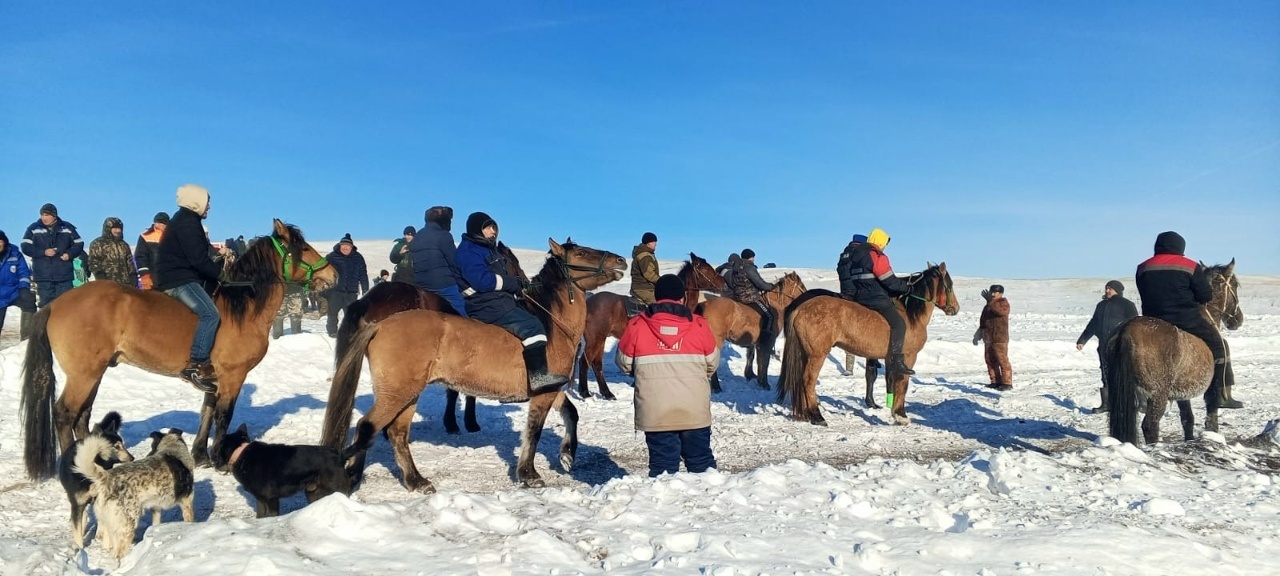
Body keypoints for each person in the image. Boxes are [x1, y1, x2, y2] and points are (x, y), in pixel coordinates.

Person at [615, 274, 720, 477]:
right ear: (682, 298)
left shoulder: (636, 325)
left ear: (657, 298)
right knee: (702, 467)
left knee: (663, 471)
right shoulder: (699, 325)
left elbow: (624, 363)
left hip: (656, 412)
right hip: (694, 410)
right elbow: (712, 363)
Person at [456, 211, 568, 393]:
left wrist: (518, 286)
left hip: (497, 300)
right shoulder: (470, 251)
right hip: (487, 304)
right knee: (534, 326)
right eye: (488, 227)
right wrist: (513, 283)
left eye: (494, 227)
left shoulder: (486, 249)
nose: (493, 231)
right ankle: (539, 378)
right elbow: (482, 281)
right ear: (477, 229)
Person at [1135, 231, 1230, 412]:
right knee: (1219, 346)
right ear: (1180, 247)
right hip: (1186, 319)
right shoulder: (1190, 266)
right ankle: (1221, 394)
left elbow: (1143, 291)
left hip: (1151, 320)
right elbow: (1205, 295)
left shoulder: (1143, 267)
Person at [154, 184, 227, 393]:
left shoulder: (186, 220)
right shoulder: (187, 222)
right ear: (196, 202)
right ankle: (195, 365)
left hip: (180, 276)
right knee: (210, 314)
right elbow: (198, 260)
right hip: (178, 280)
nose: (209, 207)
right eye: (207, 202)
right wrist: (221, 274)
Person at [836, 228, 914, 375]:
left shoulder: (856, 255)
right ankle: (897, 360)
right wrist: (905, 288)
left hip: (859, 298)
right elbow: (889, 280)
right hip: (875, 298)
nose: (884, 247)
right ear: (879, 241)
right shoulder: (876, 255)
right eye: (884, 244)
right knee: (899, 324)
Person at [1076, 280, 1139, 413]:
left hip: (1121, 345)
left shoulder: (1127, 305)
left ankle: (1136, 403)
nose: (1107, 291)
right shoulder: (1101, 305)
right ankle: (1106, 404)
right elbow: (1093, 324)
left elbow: (1136, 325)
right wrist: (1082, 340)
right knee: (1105, 373)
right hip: (1104, 345)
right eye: (1106, 288)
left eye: (1110, 289)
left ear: (1117, 290)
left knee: (1126, 373)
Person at [21, 203, 84, 308]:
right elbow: (25, 246)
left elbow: (79, 244)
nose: (43, 218)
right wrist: (43, 252)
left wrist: (69, 254)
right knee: (46, 307)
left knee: (66, 306)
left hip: (64, 276)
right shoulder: (33, 229)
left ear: (54, 216)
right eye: (42, 215)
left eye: (47, 215)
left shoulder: (67, 228)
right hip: (43, 276)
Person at [410, 206, 468, 317]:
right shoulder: (444, 236)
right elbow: (454, 262)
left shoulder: (417, 237)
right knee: (465, 309)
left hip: (421, 286)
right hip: (444, 285)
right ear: (444, 221)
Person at [324, 234, 369, 338]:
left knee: (351, 315)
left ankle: (350, 332)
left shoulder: (358, 258)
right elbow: (323, 272)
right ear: (339, 246)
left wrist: (365, 289)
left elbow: (363, 274)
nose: (345, 248)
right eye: (343, 245)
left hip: (351, 291)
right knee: (332, 313)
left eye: (347, 246)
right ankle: (332, 331)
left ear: (352, 247)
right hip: (335, 290)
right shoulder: (331, 257)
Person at [973, 285, 1012, 390]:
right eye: (992, 292)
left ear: (1001, 293)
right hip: (989, 338)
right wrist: (978, 334)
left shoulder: (1003, 303)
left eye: (996, 292)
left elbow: (1001, 312)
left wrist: (991, 302)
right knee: (990, 360)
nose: (993, 294)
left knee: (1002, 360)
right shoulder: (988, 306)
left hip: (999, 338)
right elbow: (983, 321)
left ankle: (1007, 383)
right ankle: (995, 381)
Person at [0, 230, 37, 341]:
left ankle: (26, 338)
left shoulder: (14, 253)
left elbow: (23, 272)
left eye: (0, 241)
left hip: (14, 291)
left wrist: (24, 287)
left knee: (29, 302)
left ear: (4, 242)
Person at [730, 248, 777, 337]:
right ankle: (765, 340)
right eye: (753, 257)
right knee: (770, 316)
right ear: (749, 257)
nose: (754, 259)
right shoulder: (749, 268)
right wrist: (771, 286)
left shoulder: (735, 268)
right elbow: (760, 283)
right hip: (750, 298)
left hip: (737, 296)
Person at [88, 217, 139, 288]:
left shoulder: (124, 245)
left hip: (125, 284)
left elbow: (130, 263)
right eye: (115, 228)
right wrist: (101, 278)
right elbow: (93, 262)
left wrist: (133, 277)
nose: (118, 231)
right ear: (108, 229)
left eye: (119, 228)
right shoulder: (97, 244)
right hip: (107, 284)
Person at [134, 212, 168, 289]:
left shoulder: (171, 236)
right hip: (152, 279)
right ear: (156, 223)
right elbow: (141, 257)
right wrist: (144, 276)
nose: (164, 225)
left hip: (169, 279)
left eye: (165, 223)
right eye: (161, 223)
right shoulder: (145, 236)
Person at [629, 232, 660, 305]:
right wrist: (662, 281)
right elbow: (649, 275)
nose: (656, 244)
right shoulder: (645, 256)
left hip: (646, 288)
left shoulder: (646, 254)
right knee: (660, 306)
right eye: (654, 242)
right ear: (648, 243)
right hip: (643, 289)